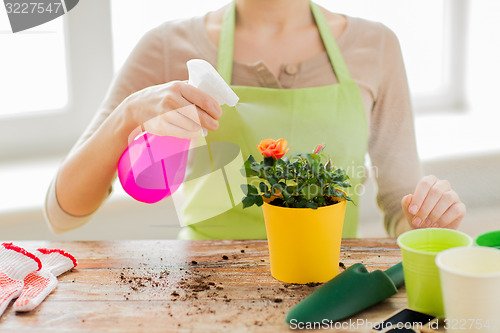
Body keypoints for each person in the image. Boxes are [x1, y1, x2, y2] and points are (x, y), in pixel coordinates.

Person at [44, 0, 466, 239]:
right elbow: (62, 212)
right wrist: (129, 115)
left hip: (328, 293)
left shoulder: (375, 47)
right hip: (200, 294)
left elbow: (401, 208)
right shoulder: (167, 47)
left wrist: (428, 220)